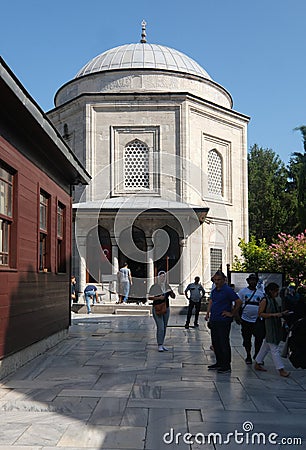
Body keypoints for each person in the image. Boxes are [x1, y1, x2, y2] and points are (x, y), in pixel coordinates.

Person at [205, 271, 242, 373]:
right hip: (215, 319)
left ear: (223, 280)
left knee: (223, 342)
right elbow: (211, 301)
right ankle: (219, 362)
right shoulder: (215, 290)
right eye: (215, 280)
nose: (217, 282)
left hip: (223, 320)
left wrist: (232, 313)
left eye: (219, 280)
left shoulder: (227, 290)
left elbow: (238, 302)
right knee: (215, 342)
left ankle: (226, 365)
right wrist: (208, 313)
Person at [254, 282, 290, 377]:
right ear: (271, 291)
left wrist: (282, 313)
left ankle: (258, 362)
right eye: (276, 291)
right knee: (274, 348)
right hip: (268, 326)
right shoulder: (265, 300)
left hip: (275, 325)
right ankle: (280, 369)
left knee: (266, 346)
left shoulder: (273, 300)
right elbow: (260, 314)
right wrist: (274, 315)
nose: (277, 293)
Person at [237, 273, 266, 364]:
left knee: (259, 339)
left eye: (254, 280)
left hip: (257, 320)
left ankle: (257, 355)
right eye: (251, 280)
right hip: (245, 320)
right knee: (247, 339)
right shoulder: (242, 292)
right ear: (248, 281)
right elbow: (238, 305)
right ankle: (248, 355)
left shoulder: (261, 293)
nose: (253, 282)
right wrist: (237, 317)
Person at [148, 271, 176, 352]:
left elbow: (173, 296)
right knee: (160, 327)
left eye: (164, 277)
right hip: (157, 308)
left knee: (164, 327)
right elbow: (149, 297)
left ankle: (162, 343)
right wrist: (158, 298)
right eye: (161, 277)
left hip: (166, 308)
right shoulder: (154, 286)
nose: (162, 278)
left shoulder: (167, 286)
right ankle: (159, 344)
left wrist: (171, 292)